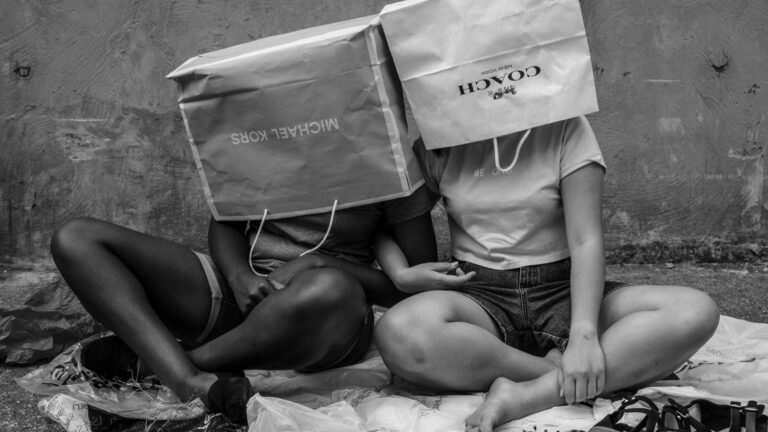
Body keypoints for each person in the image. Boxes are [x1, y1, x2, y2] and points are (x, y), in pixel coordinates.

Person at [371, 116, 720, 432]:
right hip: (480, 297)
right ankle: (572, 374)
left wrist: (584, 336)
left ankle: (526, 395)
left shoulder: (567, 126)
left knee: (694, 311)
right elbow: (385, 216)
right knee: (398, 332)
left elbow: (586, 240)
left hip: (565, 293)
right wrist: (400, 273)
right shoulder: (438, 140)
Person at [49, 183, 438, 424]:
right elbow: (226, 221)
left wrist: (319, 263)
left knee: (328, 287)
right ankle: (187, 380)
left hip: (325, 319)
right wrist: (239, 277)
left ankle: (164, 363)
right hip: (243, 292)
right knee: (77, 238)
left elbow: (412, 287)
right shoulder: (262, 134)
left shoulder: (388, 164)